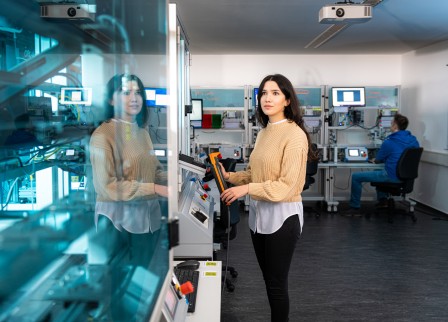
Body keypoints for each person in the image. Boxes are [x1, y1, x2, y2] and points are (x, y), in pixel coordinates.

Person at [218, 74, 317, 322]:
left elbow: (286, 186)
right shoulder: (263, 133)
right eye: (263, 93)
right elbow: (254, 173)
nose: (267, 98)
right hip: (260, 214)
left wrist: (247, 189)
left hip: (283, 217)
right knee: (269, 280)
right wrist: (229, 175)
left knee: (276, 284)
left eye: (275, 93)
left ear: (286, 99)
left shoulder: (295, 135)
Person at [89, 74, 168, 264]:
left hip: (147, 217)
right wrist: (156, 189)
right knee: (121, 281)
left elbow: (154, 172)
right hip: (119, 223)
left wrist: (177, 178)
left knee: (142, 277)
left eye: (138, 92)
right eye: (126, 93)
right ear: (110, 99)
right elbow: (107, 186)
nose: (134, 98)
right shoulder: (102, 135)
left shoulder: (141, 132)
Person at [342, 113, 420, 216]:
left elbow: (378, 159)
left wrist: (375, 159)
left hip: (391, 176)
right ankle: (383, 201)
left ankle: (354, 208)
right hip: (407, 177)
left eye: (391, 123)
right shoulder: (414, 141)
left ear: (395, 126)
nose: (390, 125)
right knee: (377, 171)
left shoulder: (389, 142)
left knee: (356, 177)